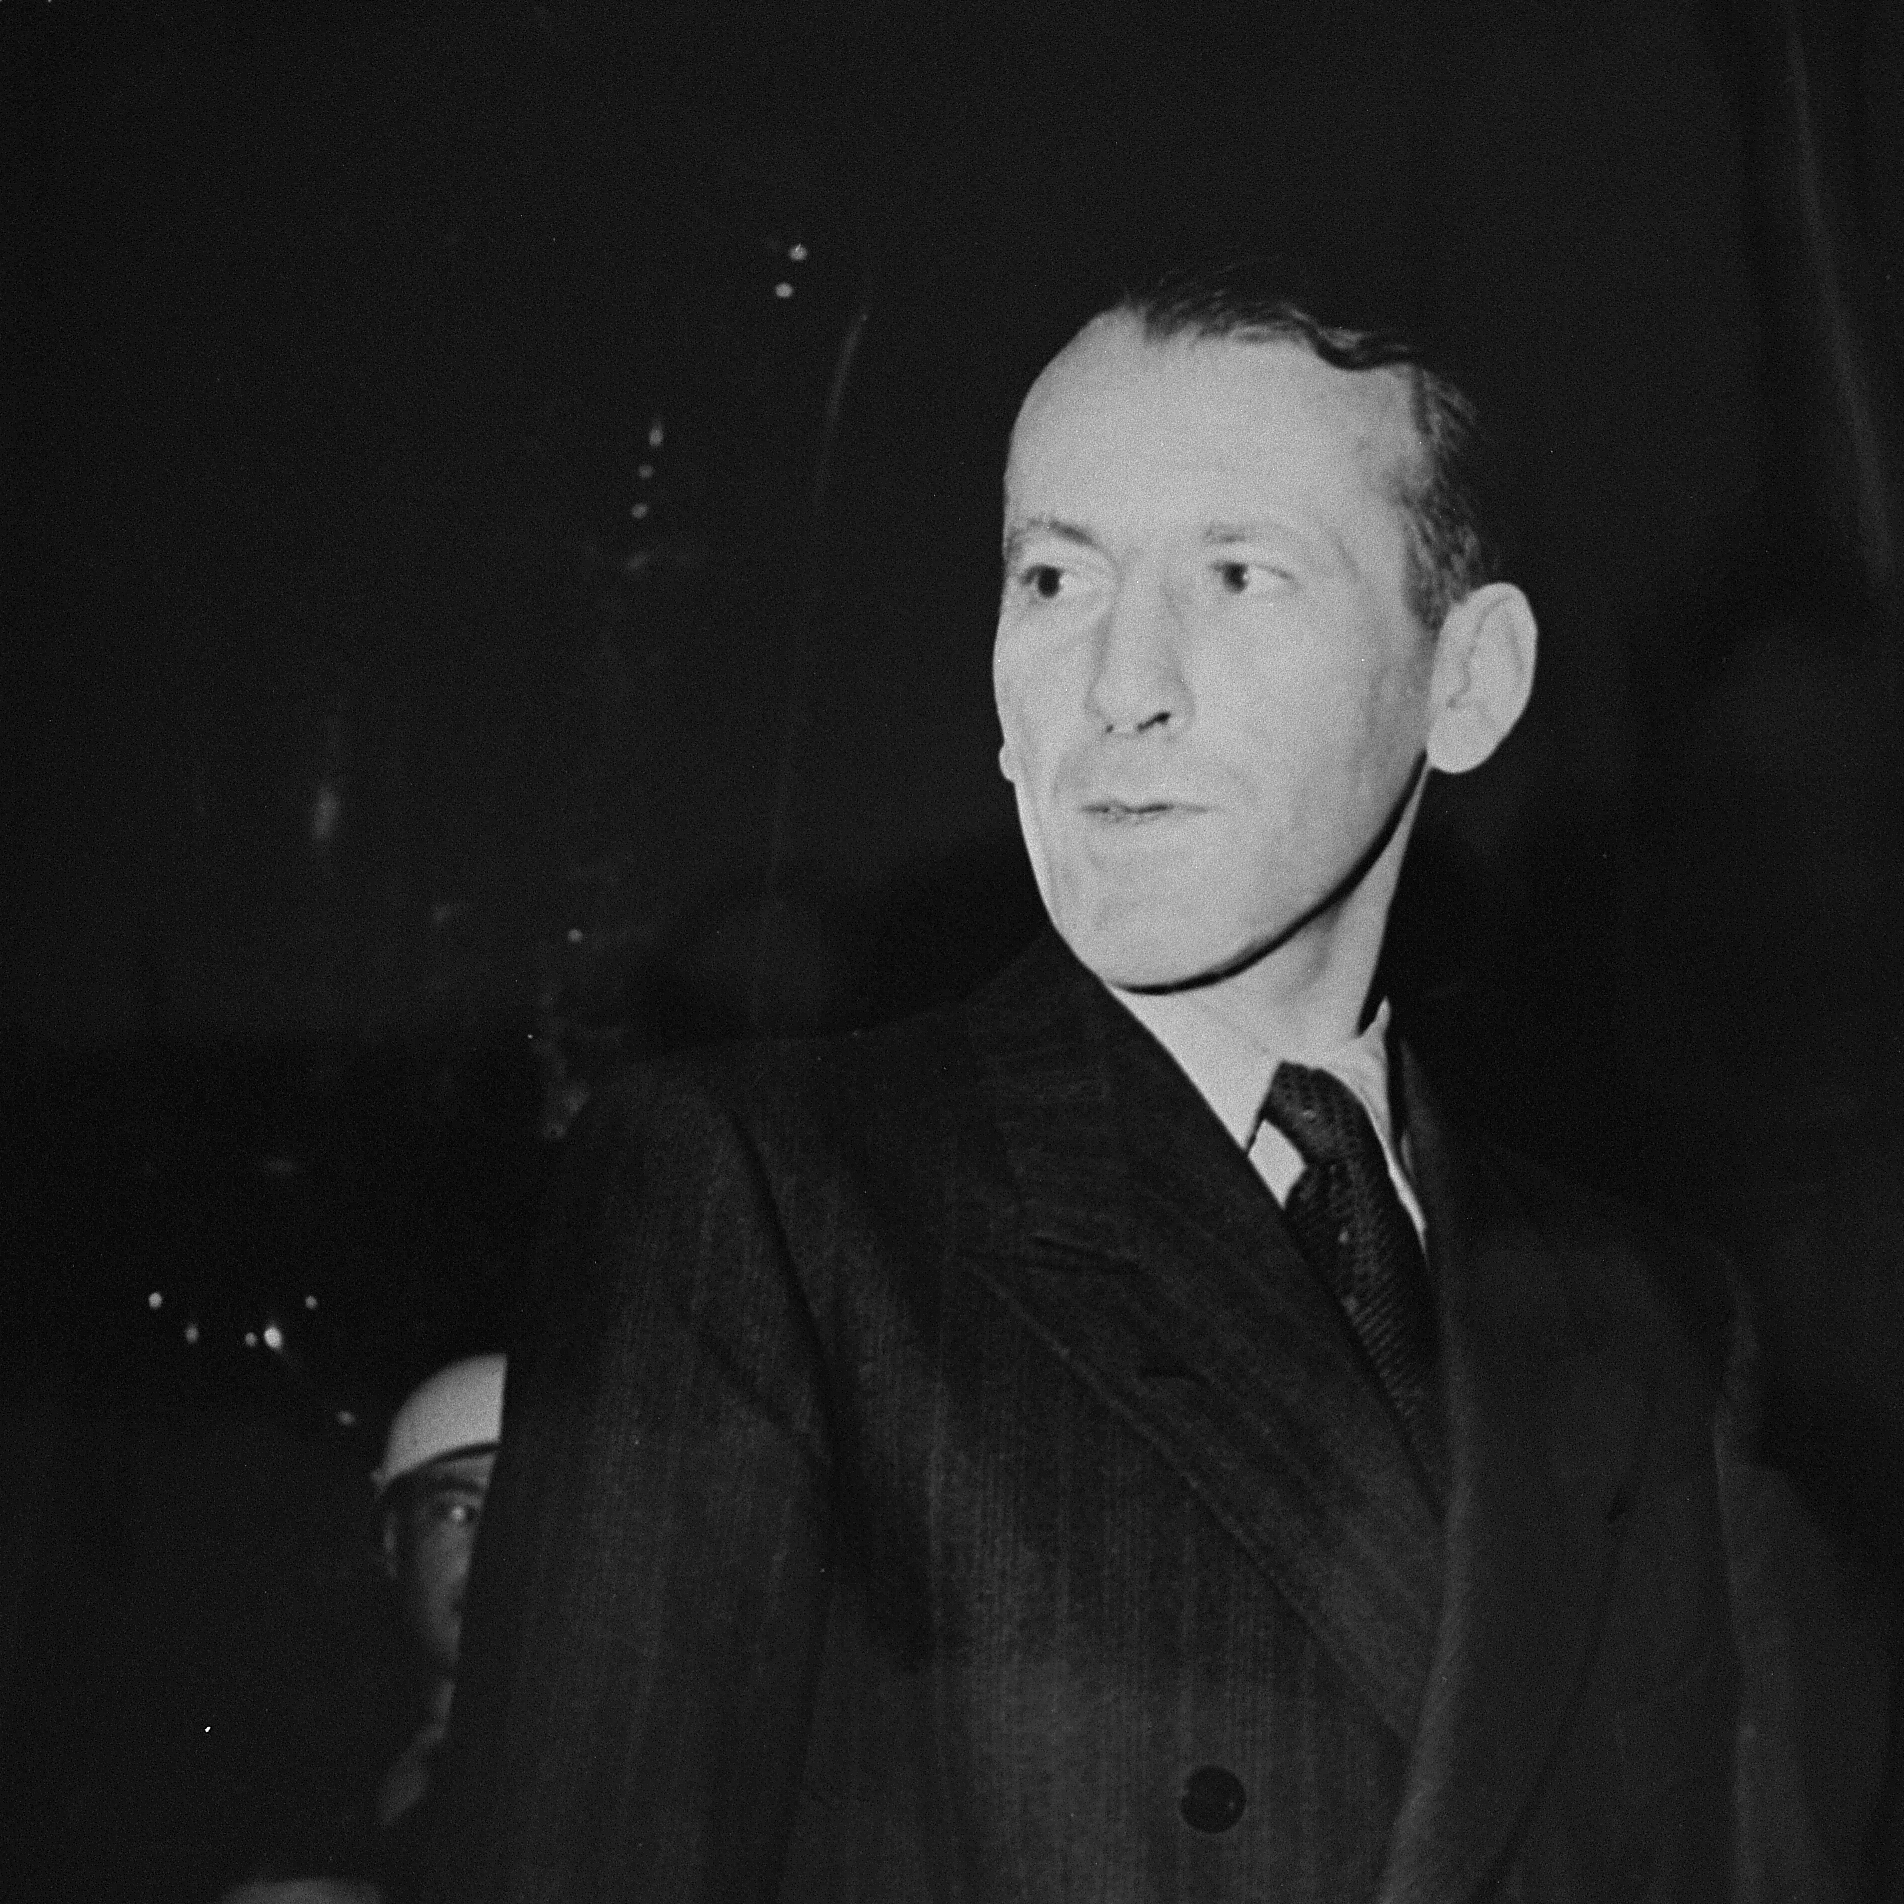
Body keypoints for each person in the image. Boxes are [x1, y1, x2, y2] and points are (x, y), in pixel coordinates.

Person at [417, 264, 1901, 1900]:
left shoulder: (1650, 1318)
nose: (1118, 684)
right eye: (1054, 577)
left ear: (1466, 680)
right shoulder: (764, 1200)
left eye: (1238, 574)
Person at [218, 1354, 505, 1904]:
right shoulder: (306, 1754)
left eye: (517, 1514)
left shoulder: (595, 1776)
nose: (491, 1551)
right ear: (394, 1542)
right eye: (458, 1512)